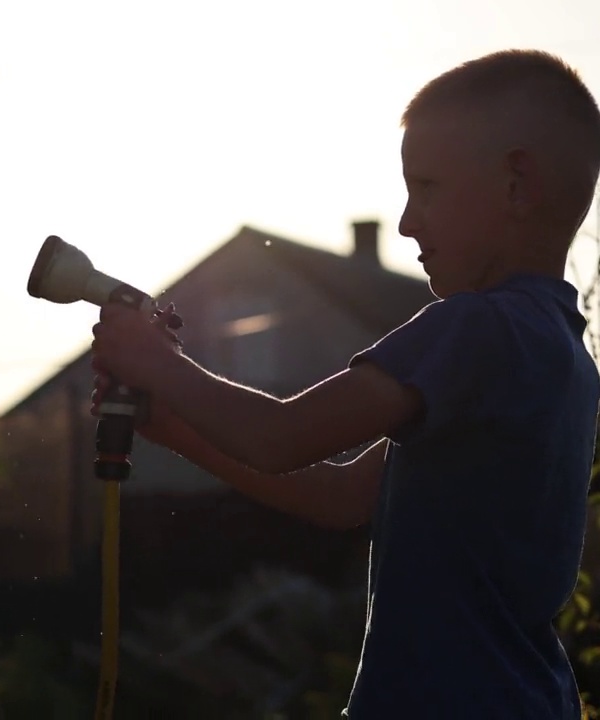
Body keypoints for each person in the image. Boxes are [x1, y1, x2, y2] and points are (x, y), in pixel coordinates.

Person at [90, 49, 600, 719]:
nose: (407, 221)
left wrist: (156, 362)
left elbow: (283, 436)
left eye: (426, 187)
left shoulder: (474, 329)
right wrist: (178, 428)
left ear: (516, 183)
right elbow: (343, 498)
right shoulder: (564, 355)